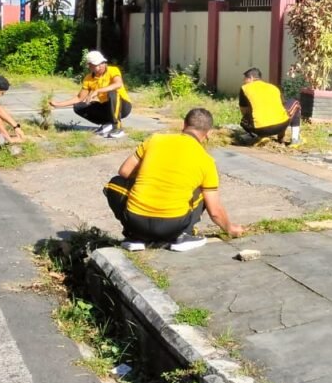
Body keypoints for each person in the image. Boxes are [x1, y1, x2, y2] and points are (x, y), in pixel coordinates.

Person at [103, 108, 246, 251]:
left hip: (136, 222)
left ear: (184, 125)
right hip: (172, 227)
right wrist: (230, 228)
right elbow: (214, 211)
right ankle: (182, 235)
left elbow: (124, 171)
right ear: (209, 133)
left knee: (115, 183)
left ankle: (135, 237)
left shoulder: (155, 140)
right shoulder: (207, 161)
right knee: (203, 191)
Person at [50, 50, 131, 138]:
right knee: (79, 106)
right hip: (107, 107)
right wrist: (58, 104)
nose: (100, 67)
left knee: (113, 92)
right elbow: (79, 98)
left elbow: (118, 84)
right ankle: (107, 124)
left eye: (102, 63)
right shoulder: (88, 78)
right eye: (95, 65)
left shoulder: (113, 70)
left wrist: (98, 91)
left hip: (123, 106)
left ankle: (117, 127)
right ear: (89, 66)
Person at [239, 67, 301, 145]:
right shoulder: (273, 87)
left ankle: (255, 135)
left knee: (244, 120)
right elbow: (282, 108)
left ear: (251, 78)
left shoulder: (245, 88)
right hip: (281, 126)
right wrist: (281, 135)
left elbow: (243, 111)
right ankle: (295, 139)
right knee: (295, 103)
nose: (243, 81)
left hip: (259, 129)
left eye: (245, 79)